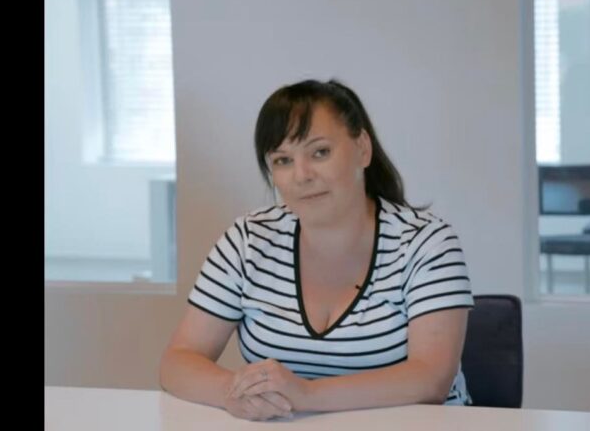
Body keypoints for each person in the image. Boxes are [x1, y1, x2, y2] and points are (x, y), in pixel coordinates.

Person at [159, 79, 474, 421]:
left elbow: (431, 380)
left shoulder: (426, 242)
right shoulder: (247, 240)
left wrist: (306, 394)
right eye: (282, 160)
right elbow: (179, 360)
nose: (302, 175)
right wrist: (231, 392)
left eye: (320, 152)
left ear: (363, 148)